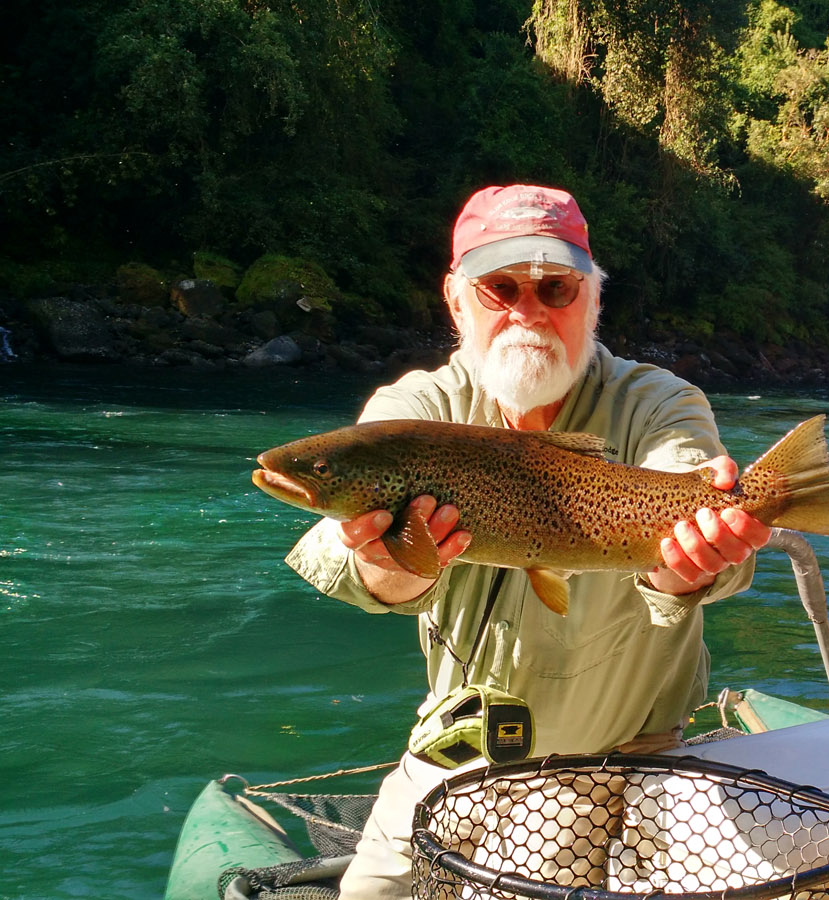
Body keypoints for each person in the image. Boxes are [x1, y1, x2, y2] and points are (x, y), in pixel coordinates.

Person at [282, 184, 771, 899]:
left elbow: (682, 478)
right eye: (499, 287)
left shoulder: (660, 403)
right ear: (456, 301)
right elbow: (347, 562)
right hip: (452, 761)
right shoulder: (414, 415)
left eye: (556, 288)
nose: (528, 310)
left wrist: (684, 562)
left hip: (630, 761)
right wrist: (388, 565)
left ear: (593, 300)